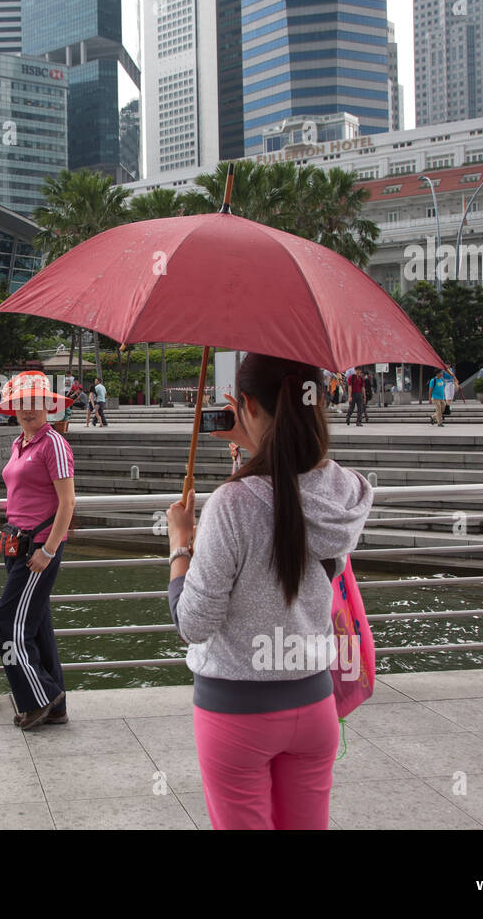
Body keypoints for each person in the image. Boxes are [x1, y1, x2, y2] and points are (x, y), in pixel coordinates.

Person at [165, 353, 372, 829]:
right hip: (314, 706)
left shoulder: (233, 503)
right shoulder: (343, 489)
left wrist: (180, 546)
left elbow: (193, 624)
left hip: (237, 713)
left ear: (247, 405)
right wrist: (255, 435)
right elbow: (299, 476)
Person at [0, 372, 76, 730]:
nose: (28, 410)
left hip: (38, 549)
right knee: (37, 624)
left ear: (47, 406)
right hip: (17, 543)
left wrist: (48, 549)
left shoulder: (53, 443)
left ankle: (38, 699)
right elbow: (23, 489)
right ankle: (55, 704)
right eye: (21, 404)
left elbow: (68, 502)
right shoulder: (20, 443)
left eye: (34, 403)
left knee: (7, 622)